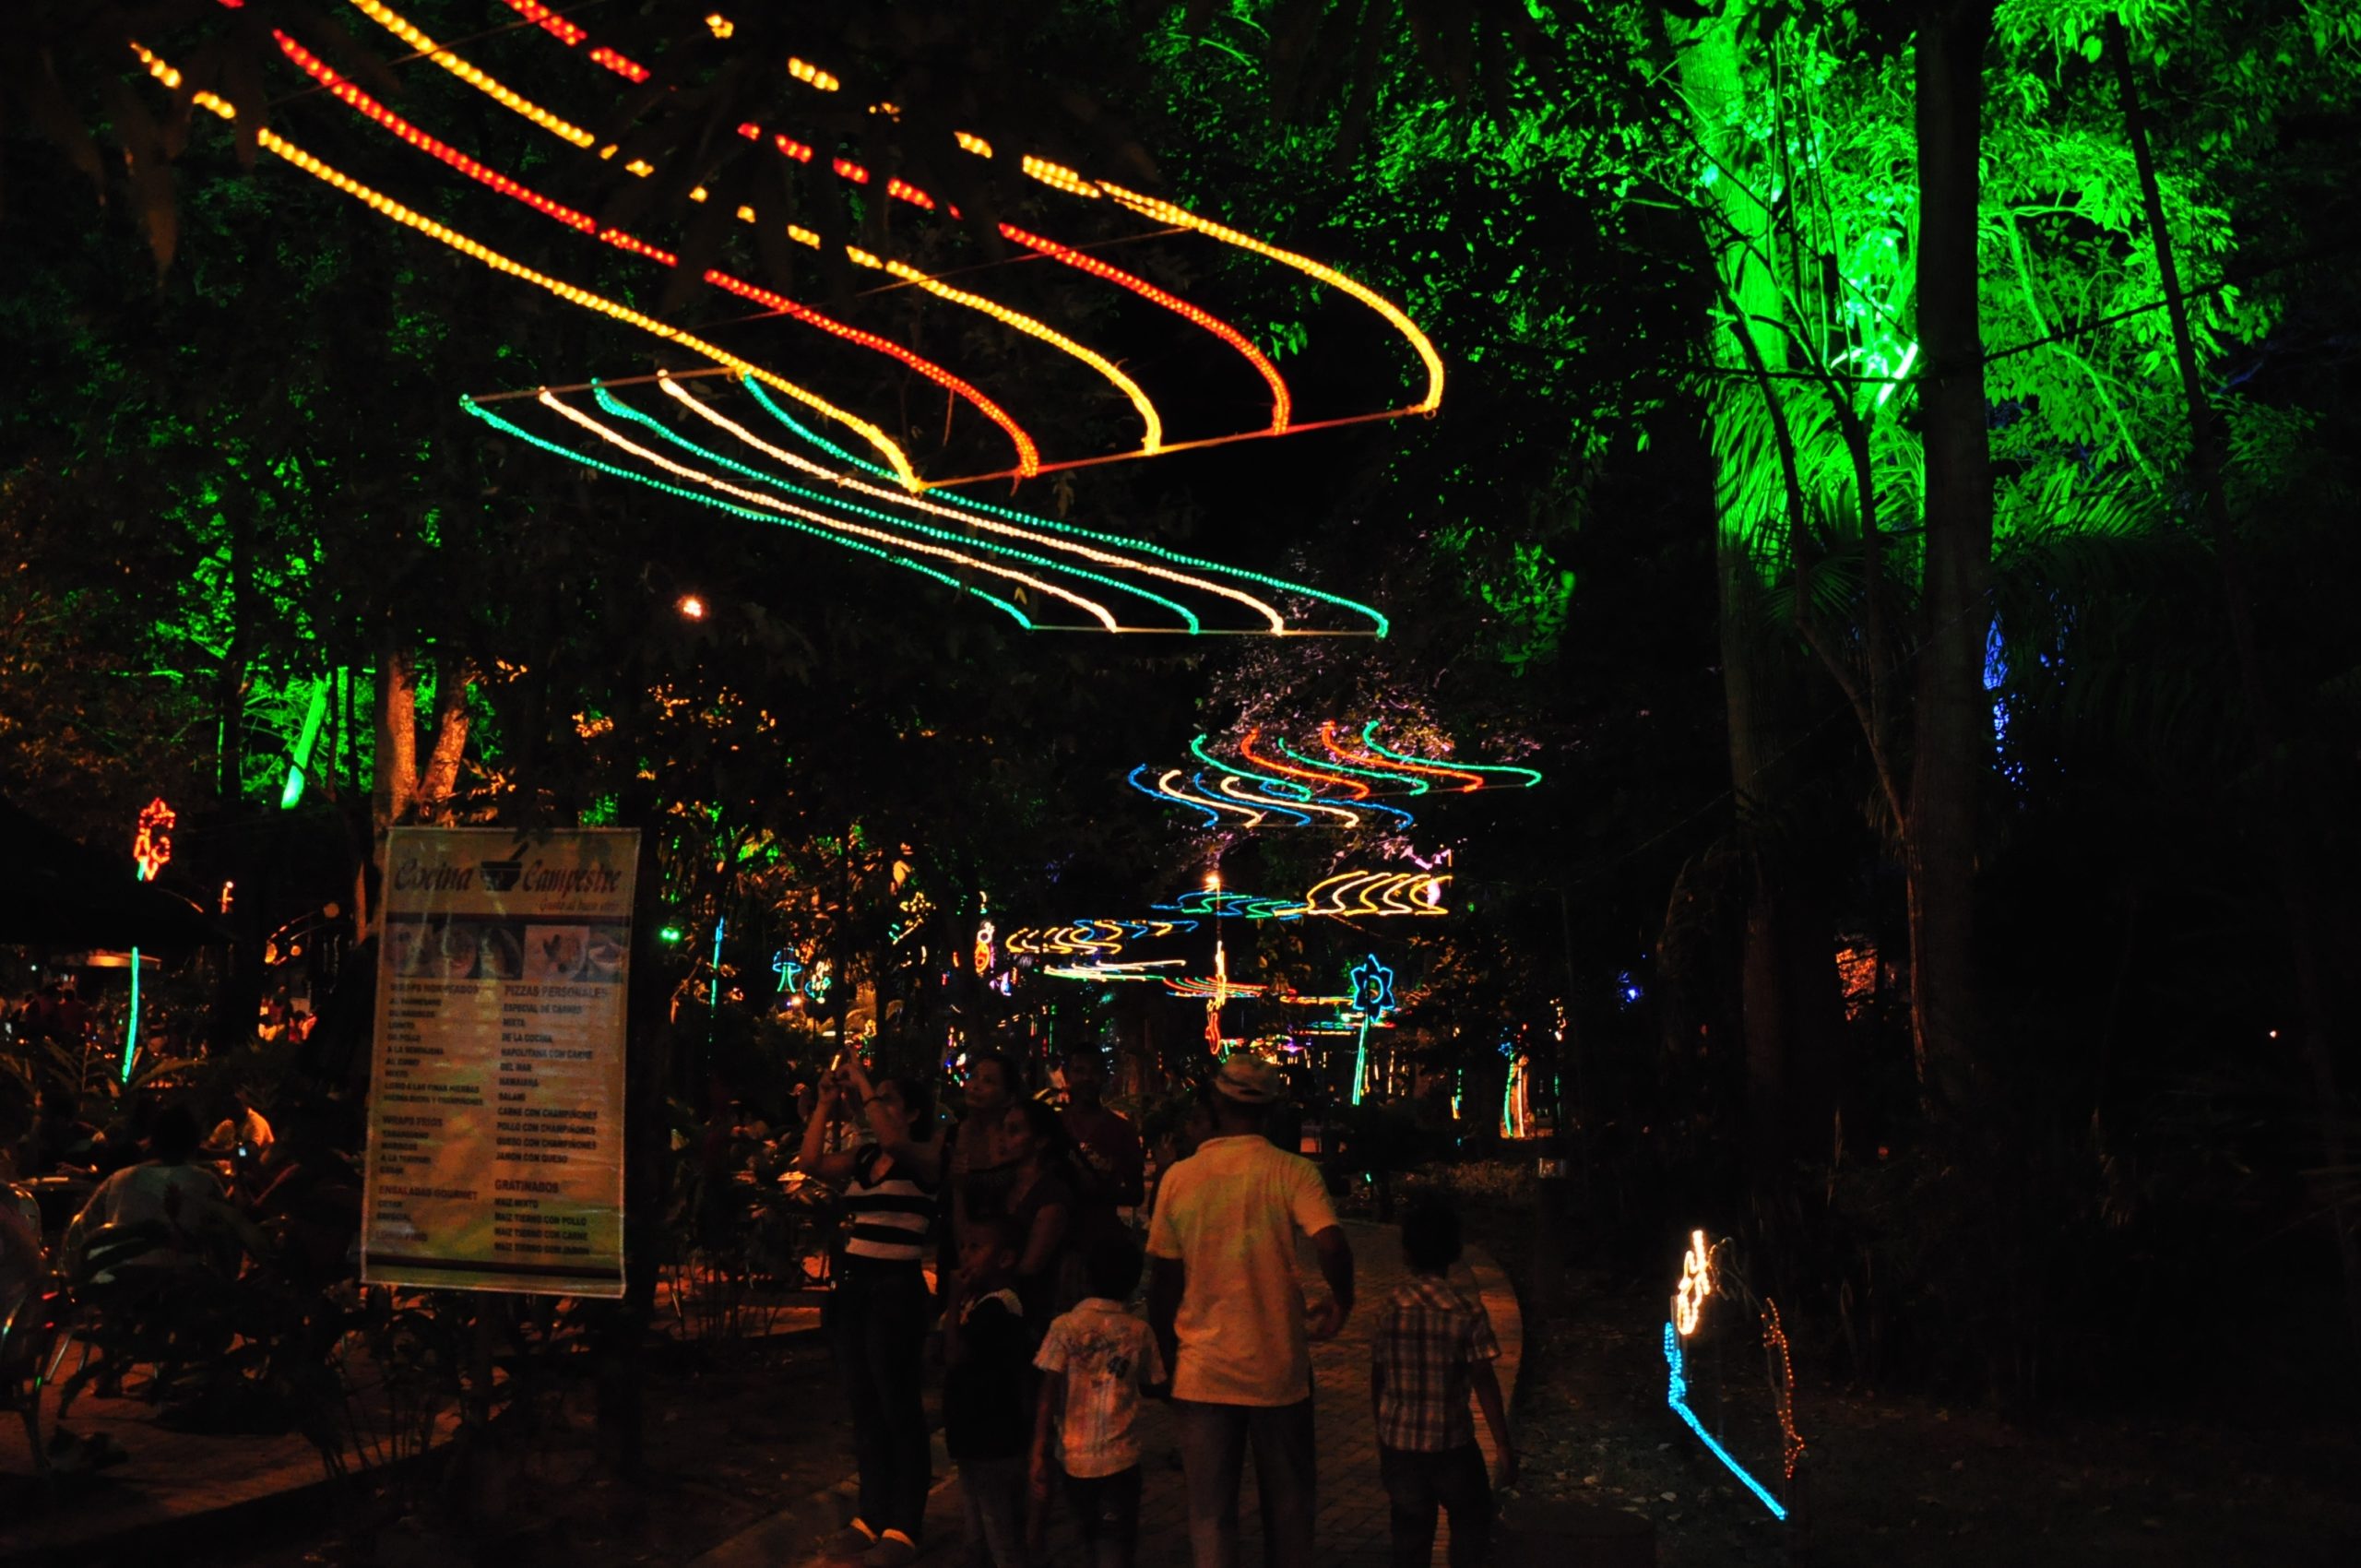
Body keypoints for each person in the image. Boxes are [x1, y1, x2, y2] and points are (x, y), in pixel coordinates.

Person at [1147, 1054, 1354, 1568]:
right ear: (1269, 1110)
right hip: (1277, 1367)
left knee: (1210, 1513)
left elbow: (1165, 1280)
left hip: (1202, 1370)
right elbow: (1331, 1243)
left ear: (1215, 1103)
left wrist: (1163, 1355)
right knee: (1288, 1508)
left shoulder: (1179, 1177)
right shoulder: (1292, 1171)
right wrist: (1342, 1300)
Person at [796, 1054, 945, 1567]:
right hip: (856, 1286)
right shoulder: (864, 1158)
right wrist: (823, 1103)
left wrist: (861, 1079)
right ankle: (871, 1515)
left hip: (896, 1289)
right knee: (864, 1404)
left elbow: (894, 1141)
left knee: (897, 1404)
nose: (873, 1104)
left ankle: (905, 1524)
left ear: (912, 1113)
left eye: (888, 1099)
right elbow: (811, 1162)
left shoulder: (924, 1159)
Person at [1371, 1206, 1514, 1568]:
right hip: (1450, 1441)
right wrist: (1502, 1443)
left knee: (1409, 1534)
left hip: (1400, 1444)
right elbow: (1484, 1378)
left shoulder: (1389, 1308)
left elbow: (1379, 1374)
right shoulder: (1465, 1311)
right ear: (1454, 1251)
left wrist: (1381, 1430)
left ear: (1407, 1252)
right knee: (1471, 1518)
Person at [1032, 1238, 1168, 1568]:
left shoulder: (1064, 1327)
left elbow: (1047, 1393)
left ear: (1087, 1277)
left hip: (1074, 1458)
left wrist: (1038, 1450)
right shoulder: (1139, 1331)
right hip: (1120, 1458)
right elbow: (1156, 1381)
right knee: (1115, 1541)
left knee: (1088, 1537)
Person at [62, 1104, 254, 1277]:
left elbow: (82, 1230)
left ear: (152, 1141)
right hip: (184, 1294)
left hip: (123, 1291)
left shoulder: (119, 1179)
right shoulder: (204, 1181)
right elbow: (226, 1240)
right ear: (195, 1143)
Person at [943, 1217, 1034, 1568]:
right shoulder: (980, 1303)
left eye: (977, 1247)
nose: (966, 1255)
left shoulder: (998, 1308)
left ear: (1005, 1258)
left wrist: (952, 1302)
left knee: (999, 1534)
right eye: (964, 1246)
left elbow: (954, 1356)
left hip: (992, 1439)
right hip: (975, 1438)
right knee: (978, 1528)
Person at [1001, 1099, 1078, 1338]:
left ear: (1041, 1141)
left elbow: (1030, 1267)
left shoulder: (1051, 1195)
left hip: (1029, 1311)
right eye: (1003, 1129)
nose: (1004, 1138)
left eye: (1014, 1130)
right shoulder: (1003, 1185)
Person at [1058, 1046, 1145, 1244]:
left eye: (1094, 1071)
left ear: (1105, 1076)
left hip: (1102, 1238)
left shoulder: (1122, 1130)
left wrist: (1095, 1191)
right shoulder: (1053, 1125)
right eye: (1079, 1071)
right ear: (1066, 1074)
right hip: (1058, 1236)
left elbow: (1136, 1194)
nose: (1087, 1078)